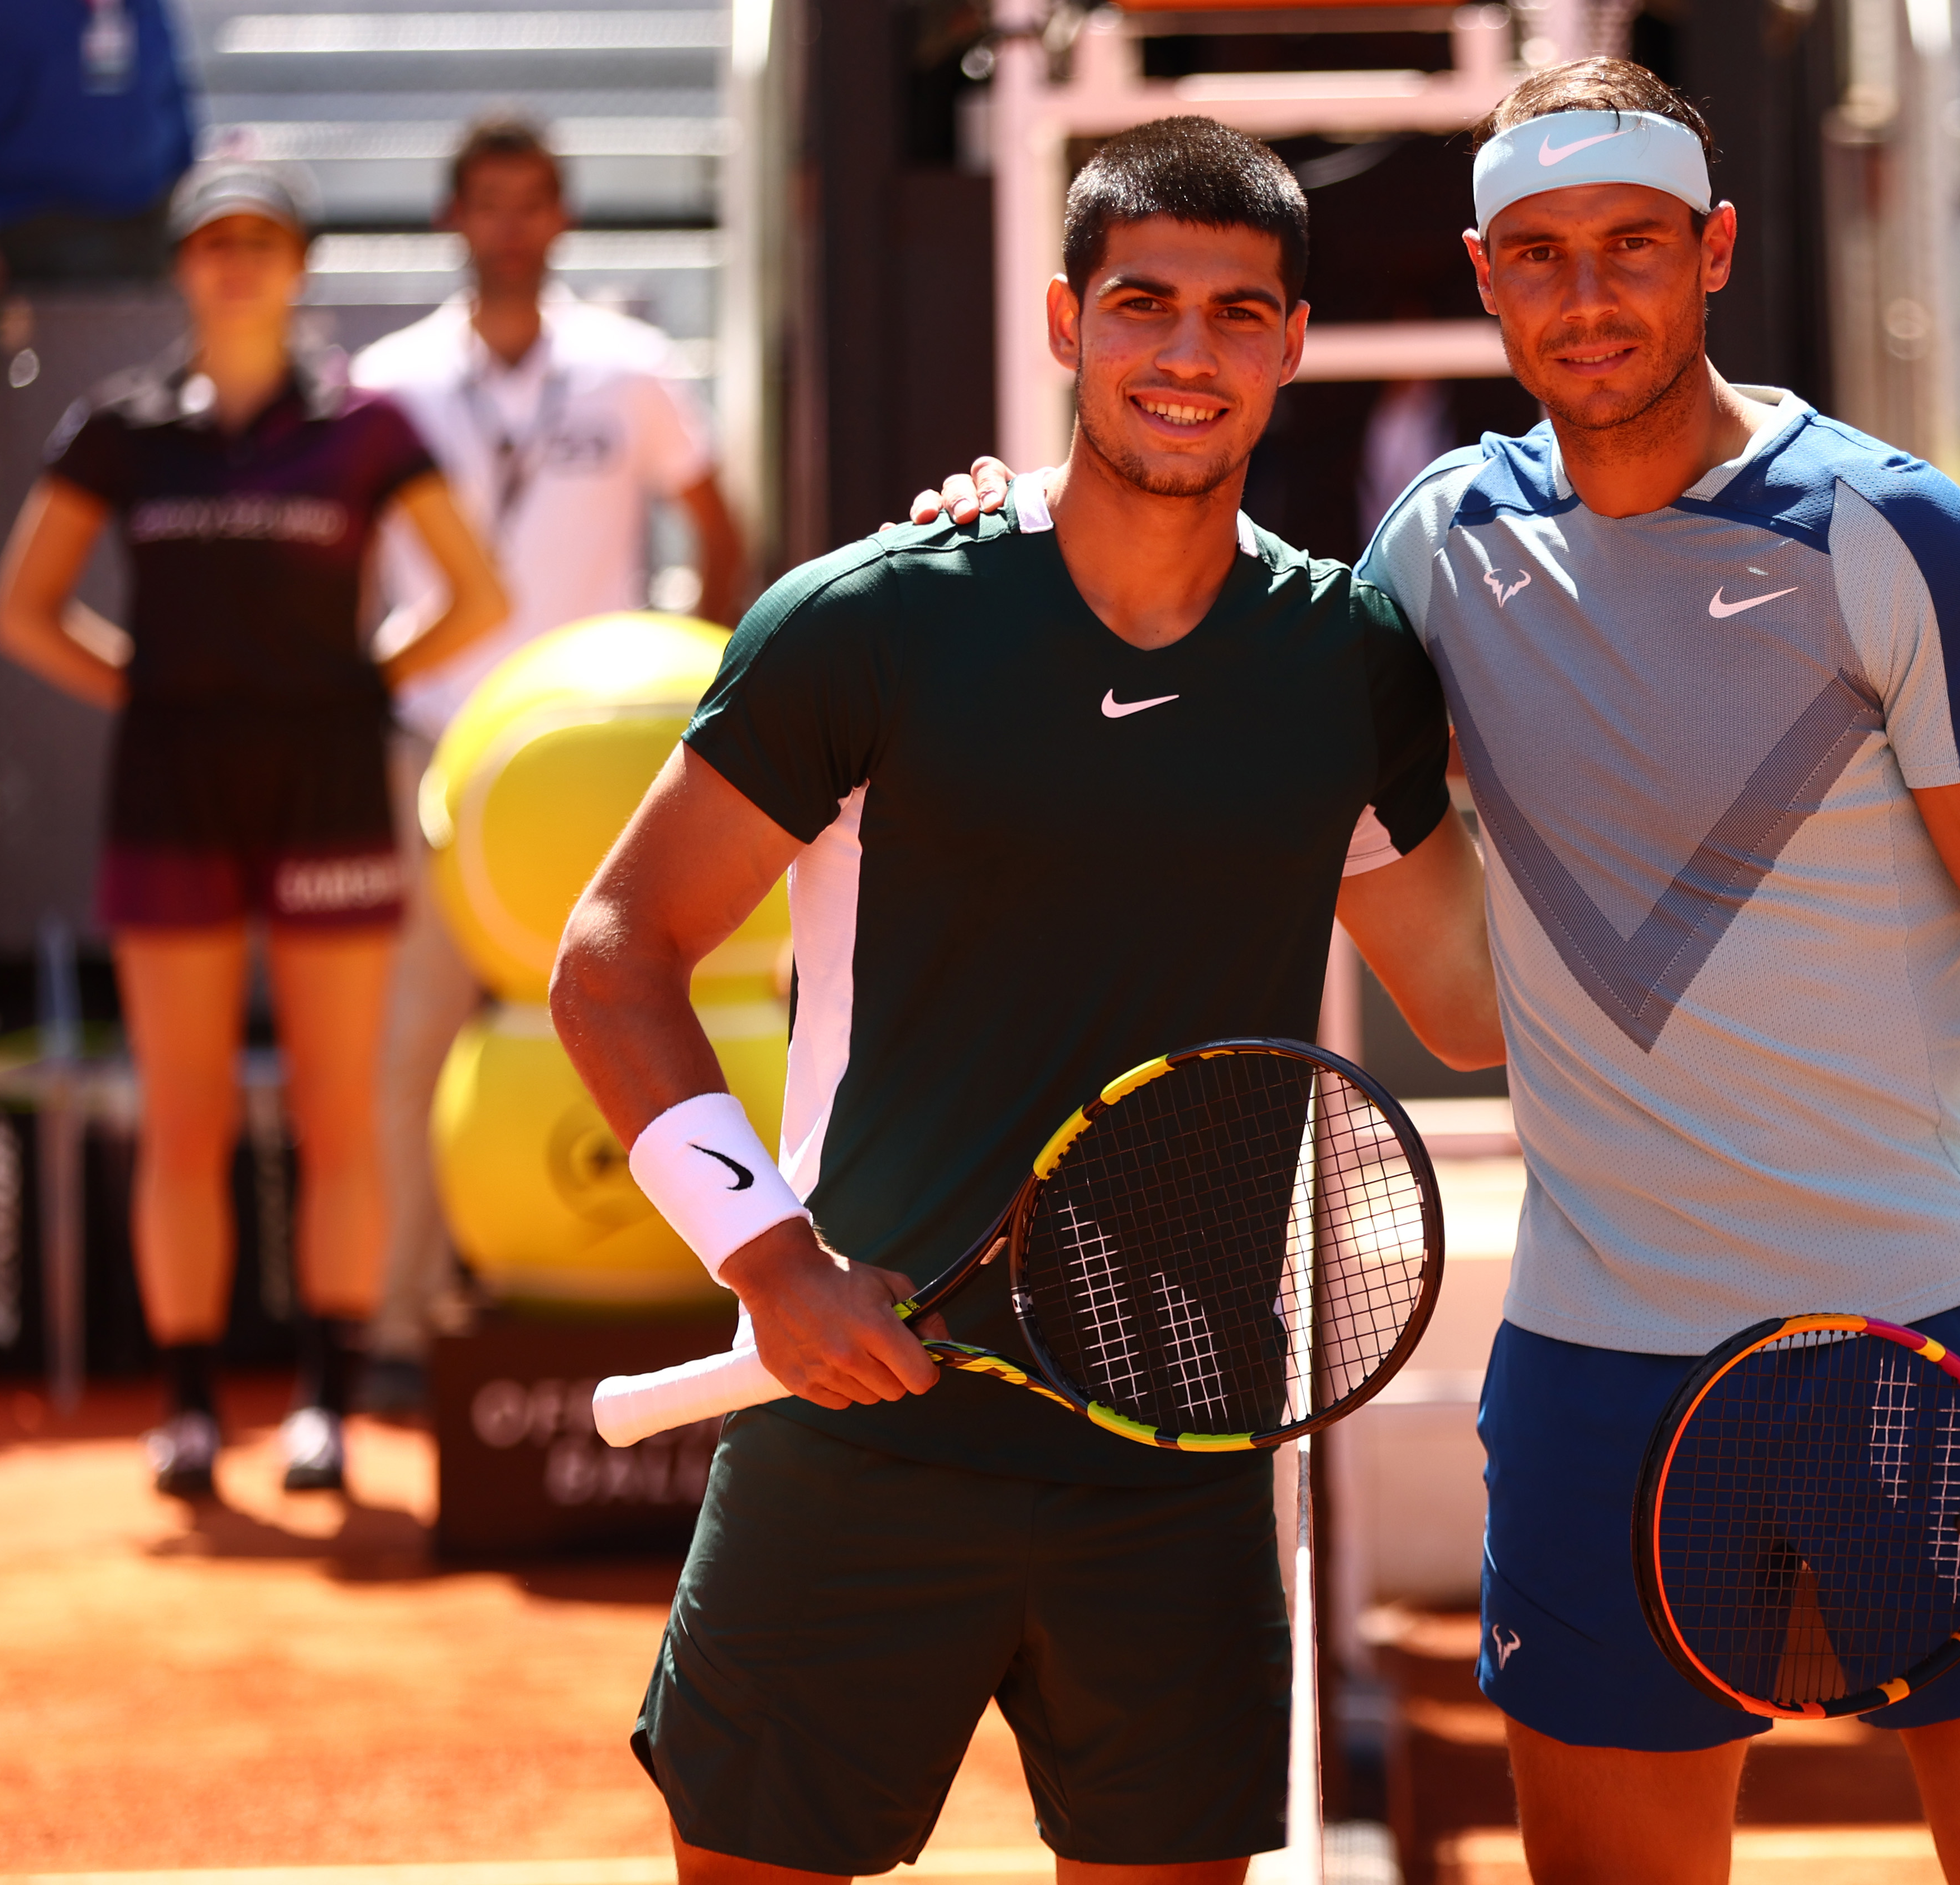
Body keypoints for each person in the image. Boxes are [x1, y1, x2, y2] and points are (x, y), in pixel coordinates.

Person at [917, 57, 1960, 1885]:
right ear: (1480, 274)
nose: (1585, 297)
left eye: (1629, 247)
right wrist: (1015, 534)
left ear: (1713, 253)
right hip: (1600, 1361)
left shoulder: (1889, 535)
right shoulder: (1438, 545)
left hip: (1927, 1326)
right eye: (1537, 254)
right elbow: (1232, 655)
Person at [549, 118, 1499, 1884]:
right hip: (855, 1447)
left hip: (1184, 1450)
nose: (1186, 353)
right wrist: (769, 1263)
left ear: (1293, 344)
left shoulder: (1345, 666)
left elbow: (1472, 1009)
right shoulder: (870, 624)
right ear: (1066, 323)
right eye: (1143, 304)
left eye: (1235, 313)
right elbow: (613, 959)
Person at [0, 161, 509, 1496]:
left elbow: (475, 593)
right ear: (181, 265)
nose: (236, 266)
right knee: (186, 1112)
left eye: (260, 243)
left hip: (329, 783)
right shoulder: (122, 430)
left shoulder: (366, 426)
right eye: (213, 243)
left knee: (337, 1110)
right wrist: (151, 690)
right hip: (172, 790)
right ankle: (188, 1406)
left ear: (298, 265)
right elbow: (24, 609)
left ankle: (325, 1402)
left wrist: (367, 682)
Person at [351, 116, 745, 1407]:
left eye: (532, 203)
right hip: (442, 758)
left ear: (561, 218)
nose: (510, 227)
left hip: (600, 760)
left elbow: (713, 524)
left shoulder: (626, 366)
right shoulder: (388, 378)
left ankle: (681, 1298)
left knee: (638, 1022)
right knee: (417, 1046)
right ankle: (411, 1326)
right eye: (488, 204)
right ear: (451, 220)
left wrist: (687, 681)